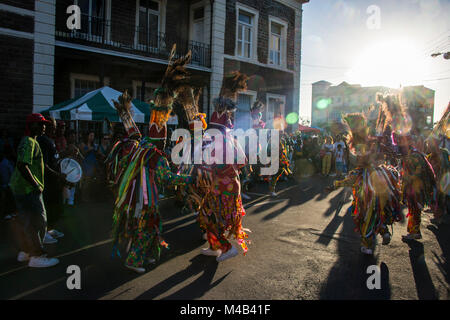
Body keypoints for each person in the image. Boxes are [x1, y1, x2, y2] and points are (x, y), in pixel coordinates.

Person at [108, 47, 194, 274]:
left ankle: (145, 257)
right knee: (146, 230)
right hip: (147, 203)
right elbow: (168, 179)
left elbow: (133, 133)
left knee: (144, 229)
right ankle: (134, 261)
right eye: (165, 141)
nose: (166, 144)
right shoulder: (156, 156)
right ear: (162, 141)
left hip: (135, 201)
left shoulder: (140, 147)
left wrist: (125, 115)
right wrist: (189, 178)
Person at [199, 71, 250, 262]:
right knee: (206, 213)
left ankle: (227, 248)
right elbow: (241, 162)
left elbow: (219, 164)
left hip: (225, 189)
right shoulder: (221, 140)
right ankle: (214, 247)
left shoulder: (223, 142)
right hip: (222, 187)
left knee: (214, 219)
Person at [9, 114, 59, 268]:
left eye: (44, 124)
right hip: (28, 189)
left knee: (27, 221)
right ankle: (37, 256)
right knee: (38, 222)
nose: (44, 126)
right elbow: (22, 165)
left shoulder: (29, 141)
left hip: (21, 189)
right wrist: (36, 184)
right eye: (40, 124)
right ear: (31, 126)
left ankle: (25, 252)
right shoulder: (29, 142)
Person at [37, 117, 66, 243]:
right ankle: (44, 232)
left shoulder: (50, 140)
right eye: (52, 127)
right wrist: (57, 175)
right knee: (48, 207)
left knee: (55, 206)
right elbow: (44, 164)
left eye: (55, 127)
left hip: (54, 181)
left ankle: (50, 229)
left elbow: (54, 159)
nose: (54, 129)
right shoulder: (43, 141)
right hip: (48, 181)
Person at [79, 131, 99, 202]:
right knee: (85, 182)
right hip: (85, 164)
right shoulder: (82, 144)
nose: (92, 137)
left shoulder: (94, 145)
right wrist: (89, 149)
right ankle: (83, 197)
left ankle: (87, 197)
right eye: (90, 135)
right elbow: (81, 154)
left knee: (90, 182)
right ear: (87, 136)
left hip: (92, 164)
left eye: (93, 136)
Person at [0, 144, 15, 220]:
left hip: (7, 184)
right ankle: (6, 213)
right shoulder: (5, 163)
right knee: (7, 199)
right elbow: (9, 175)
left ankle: (9, 212)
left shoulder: (6, 162)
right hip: (7, 185)